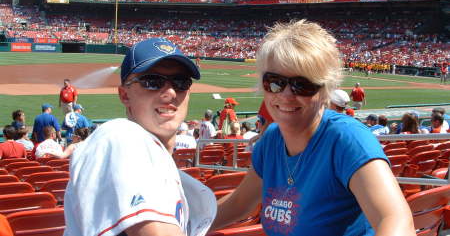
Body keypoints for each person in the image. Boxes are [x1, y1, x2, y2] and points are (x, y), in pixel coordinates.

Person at [211, 19, 414, 235]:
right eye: (274, 81)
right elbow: (241, 203)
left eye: (303, 84)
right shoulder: (271, 139)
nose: (286, 95)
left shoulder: (346, 139)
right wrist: (183, 227)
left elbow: (395, 219)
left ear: (326, 89)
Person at [64, 37, 216, 236]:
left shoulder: (158, 160)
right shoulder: (121, 137)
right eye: (152, 82)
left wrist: (260, 173)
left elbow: (197, 223)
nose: (170, 92)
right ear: (125, 95)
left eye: (181, 82)